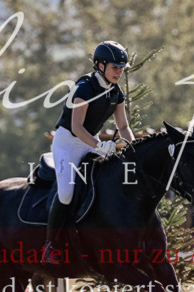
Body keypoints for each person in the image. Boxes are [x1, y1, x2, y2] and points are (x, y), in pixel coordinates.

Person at [42, 40, 135, 264]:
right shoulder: (84, 87)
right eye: (115, 67)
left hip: (89, 142)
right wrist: (99, 145)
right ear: (101, 65)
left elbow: (123, 127)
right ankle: (50, 244)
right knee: (66, 193)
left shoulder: (116, 92)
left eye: (121, 68)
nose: (119, 72)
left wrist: (134, 150)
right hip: (67, 142)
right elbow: (76, 127)